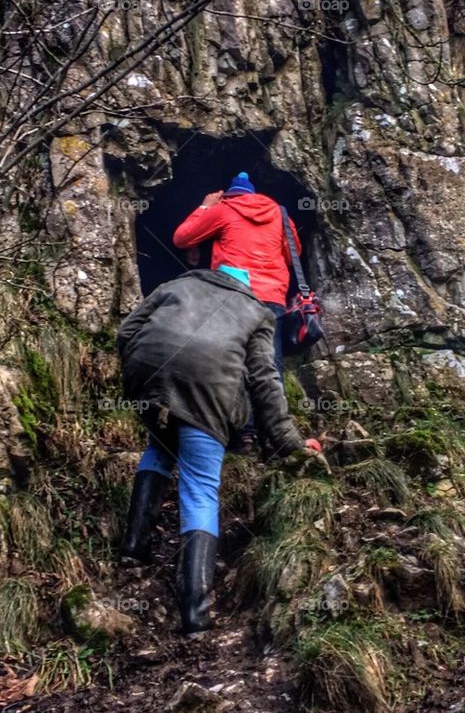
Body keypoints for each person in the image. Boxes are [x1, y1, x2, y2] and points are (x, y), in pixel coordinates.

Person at [116, 265, 322, 634]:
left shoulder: (175, 283)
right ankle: (195, 613)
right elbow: (264, 379)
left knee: (160, 445)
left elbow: (126, 331)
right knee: (199, 488)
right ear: (246, 286)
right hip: (207, 393)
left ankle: (133, 547)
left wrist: (139, 377)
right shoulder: (257, 311)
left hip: (150, 378)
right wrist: (289, 441)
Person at [172, 172, 301, 379]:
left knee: (231, 364)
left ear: (230, 196)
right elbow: (291, 255)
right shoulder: (279, 213)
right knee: (269, 366)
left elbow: (182, 238)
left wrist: (206, 206)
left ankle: (234, 410)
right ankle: (273, 410)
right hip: (272, 297)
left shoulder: (224, 209)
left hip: (235, 296)